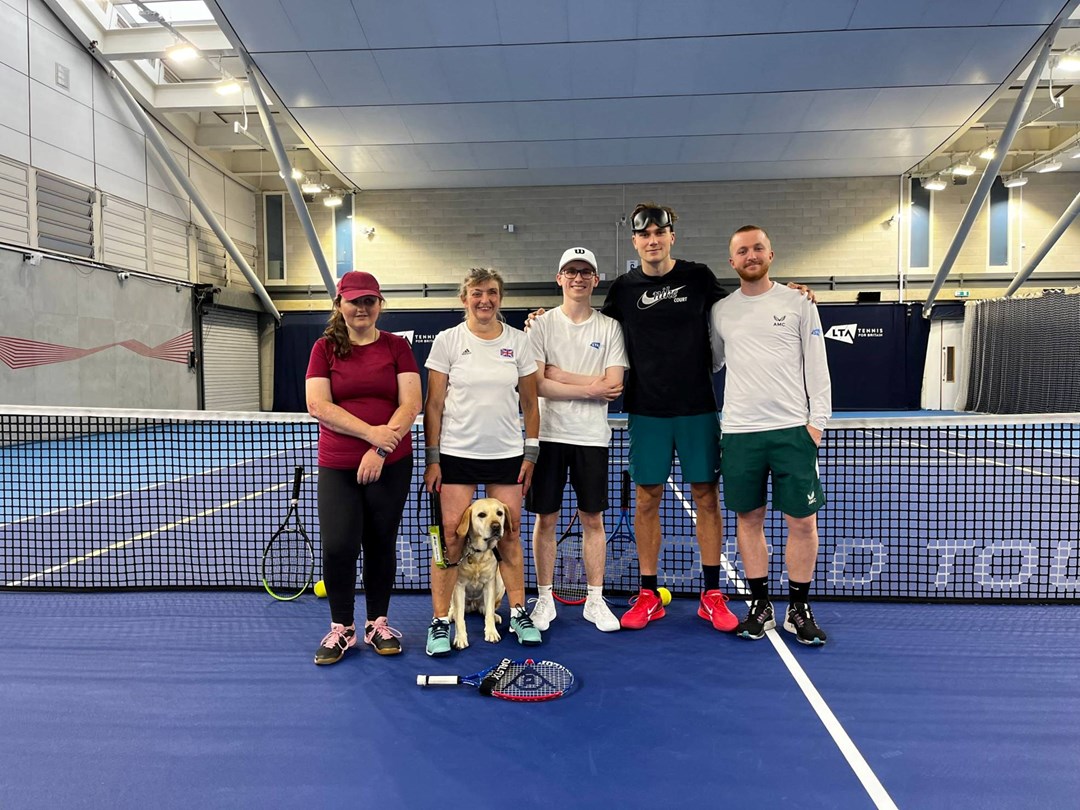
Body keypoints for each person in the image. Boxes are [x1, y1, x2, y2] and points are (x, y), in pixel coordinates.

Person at [599, 203, 739, 632]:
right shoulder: (623, 289)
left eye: (660, 232)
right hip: (646, 410)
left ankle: (712, 594)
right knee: (646, 499)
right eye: (645, 235)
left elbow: (742, 310)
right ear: (636, 241)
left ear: (672, 236)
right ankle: (648, 594)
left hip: (697, 407)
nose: (653, 240)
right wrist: (539, 321)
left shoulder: (698, 277)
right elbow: (591, 332)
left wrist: (788, 296)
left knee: (706, 497)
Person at [710, 226, 831, 645]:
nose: (751, 255)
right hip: (740, 433)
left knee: (802, 521)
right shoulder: (721, 311)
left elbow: (817, 364)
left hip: (793, 432)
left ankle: (798, 608)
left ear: (771, 254)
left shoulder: (798, 301)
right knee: (749, 519)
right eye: (742, 250)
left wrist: (817, 424)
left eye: (757, 248)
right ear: (733, 262)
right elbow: (711, 361)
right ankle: (761, 608)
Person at [422, 267, 543, 656]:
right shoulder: (447, 341)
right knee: (451, 539)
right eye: (477, 293)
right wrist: (433, 458)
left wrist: (531, 451)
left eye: (491, 292)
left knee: (509, 536)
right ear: (464, 298)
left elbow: (530, 402)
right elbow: (434, 405)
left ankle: (519, 612)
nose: (484, 300)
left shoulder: (519, 343)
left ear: (500, 298)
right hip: (456, 455)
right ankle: (441, 622)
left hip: (506, 455)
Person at [305, 270, 422, 665]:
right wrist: (372, 434)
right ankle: (343, 628)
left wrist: (382, 449)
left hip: (391, 463)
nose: (362, 308)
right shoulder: (324, 349)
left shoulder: (396, 347)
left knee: (379, 544)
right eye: (354, 301)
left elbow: (411, 404)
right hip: (338, 464)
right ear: (339, 305)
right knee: (338, 545)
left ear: (379, 305)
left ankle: (377, 623)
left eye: (369, 301)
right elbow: (319, 406)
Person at [526, 247, 628, 633]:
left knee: (593, 520)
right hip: (547, 436)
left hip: (591, 439)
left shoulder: (610, 327)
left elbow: (614, 384)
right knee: (545, 519)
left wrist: (562, 378)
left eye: (586, 272)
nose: (578, 277)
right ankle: (545, 599)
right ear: (559, 278)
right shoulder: (540, 326)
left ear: (595, 280)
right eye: (571, 271)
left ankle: (595, 601)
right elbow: (536, 383)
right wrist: (592, 386)